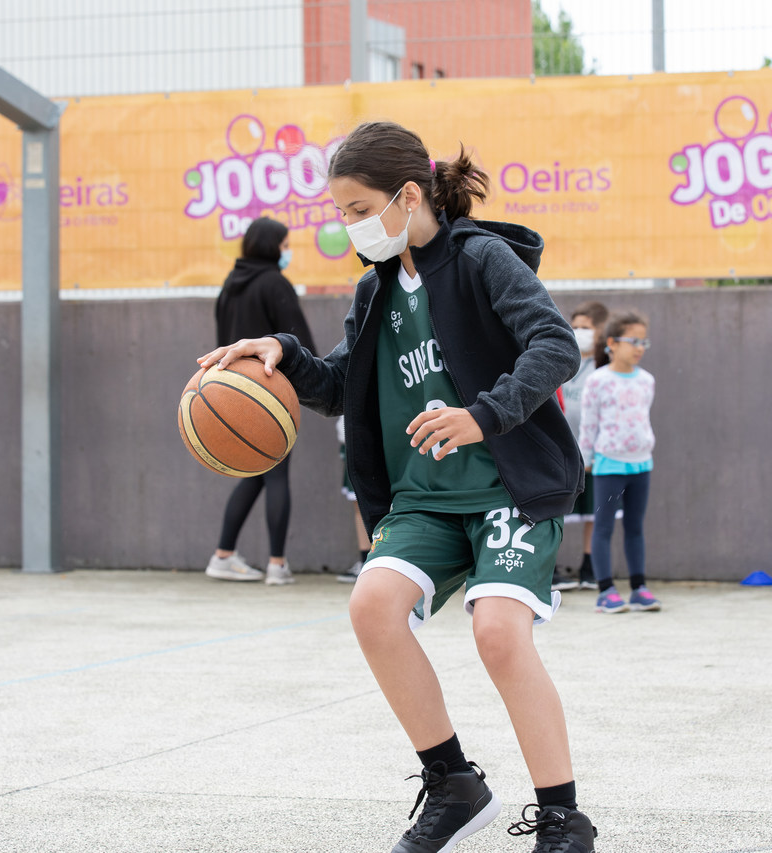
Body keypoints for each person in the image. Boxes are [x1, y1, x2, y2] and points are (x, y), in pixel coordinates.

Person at [198, 121, 596, 852]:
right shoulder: (375, 289)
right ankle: (453, 784)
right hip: (425, 497)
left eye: (356, 210)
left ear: (407, 195)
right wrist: (279, 355)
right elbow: (344, 382)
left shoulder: (482, 260)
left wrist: (484, 414)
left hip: (507, 485)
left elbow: (555, 344)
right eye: (341, 212)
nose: (347, 226)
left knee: (499, 633)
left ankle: (563, 818)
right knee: (373, 607)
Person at [205, 217, 317, 586]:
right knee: (276, 471)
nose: (288, 252)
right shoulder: (274, 284)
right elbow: (298, 345)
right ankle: (276, 563)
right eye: (285, 245)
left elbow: (223, 340)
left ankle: (223, 555)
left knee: (254, 472)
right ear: (272, 247)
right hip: (270, 391)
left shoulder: (230, 286)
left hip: (230, 392)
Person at [578, 312, 659, 615]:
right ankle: (606, 590)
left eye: (643, 342)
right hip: (609, 466)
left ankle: (639, 588)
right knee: (603, 527)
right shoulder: (598, 381)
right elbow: (589, 423)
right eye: (633, 341)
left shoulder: (647, 381)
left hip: (641, 465)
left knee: (635, 527)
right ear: (612, 343)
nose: (639, 348)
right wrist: (585, 458)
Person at [552, 301, 608, 592]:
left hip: (595, 451)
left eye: (585, 328)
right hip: (564, 447)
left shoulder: (603, 366)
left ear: (600, 332)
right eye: (575, 326)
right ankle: (551, 567)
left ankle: (590, 565)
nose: (579, 333)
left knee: (593, 511)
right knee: (556, 510)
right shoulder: (564, 358)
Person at [335, 414, 373, 583]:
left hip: (368, 433)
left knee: (365, 505)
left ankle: (372, 561)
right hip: (355, 434)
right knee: (360, 504)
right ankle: (366, 561)